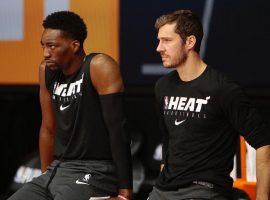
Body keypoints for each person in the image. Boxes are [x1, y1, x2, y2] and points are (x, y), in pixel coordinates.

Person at [8, 11, 132, 200]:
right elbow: (48, 129)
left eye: (52, 46)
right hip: (57, 170)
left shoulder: (99, 66)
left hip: (96, 170)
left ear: (74, 46)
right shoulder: (46, 70)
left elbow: (118, 129)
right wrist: (45, 175)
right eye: (43, 46)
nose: (45, 53)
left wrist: (125, 189)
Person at [148, 10, 270, 200]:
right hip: (162, 190)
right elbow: (168, 139)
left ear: (190, 42)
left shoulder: (223, 89)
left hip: (204, 190)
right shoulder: (162, 86)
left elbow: (263, 144)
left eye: (167, 40)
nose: (159, 48)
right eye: (159, 40)